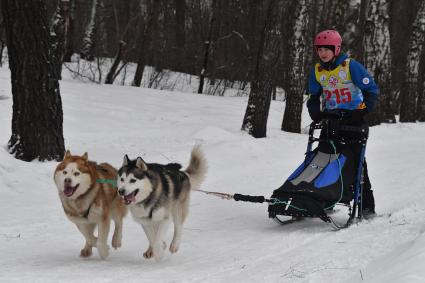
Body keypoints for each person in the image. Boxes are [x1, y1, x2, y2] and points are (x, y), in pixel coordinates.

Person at [306, 29, 379, 216]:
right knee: (324, 160)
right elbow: (313, 96)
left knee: (356, 163)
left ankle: (366, 205)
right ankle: (324, 199)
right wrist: (316, 112)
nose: (322, 53)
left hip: (353, 120)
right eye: (319, 49)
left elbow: (372, 90)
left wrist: (361, 111)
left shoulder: (350, 66)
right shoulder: (317, 70)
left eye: (327, 49)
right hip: (331, 121)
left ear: (336, 49)